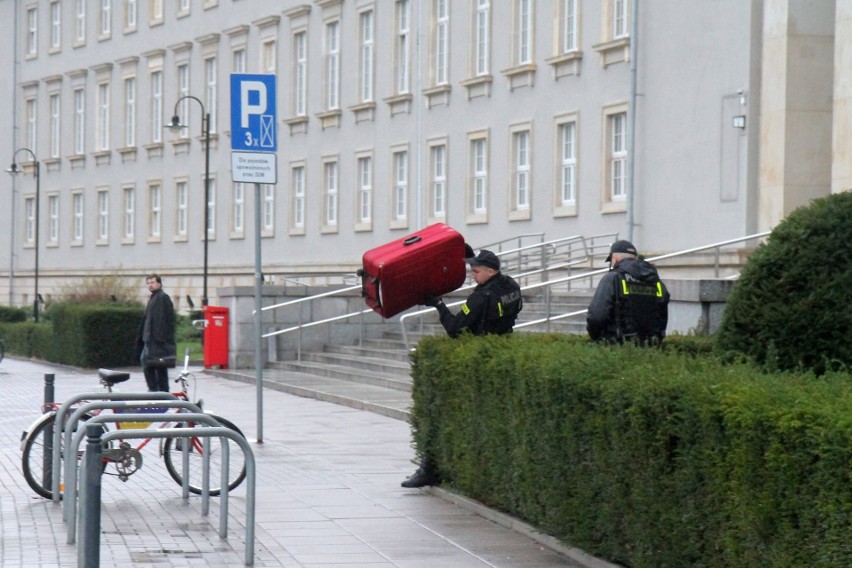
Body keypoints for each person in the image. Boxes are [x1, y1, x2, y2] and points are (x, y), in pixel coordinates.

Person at [401, 249, 522, 488]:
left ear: (490, 271)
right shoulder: (511, 287)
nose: (472, 276)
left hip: (475, 362)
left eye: (476, 272)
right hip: (501, 351)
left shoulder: (481, 297)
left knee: (438, 411)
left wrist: (439, 305)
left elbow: (456, 328)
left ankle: (430, 468)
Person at [586, 240, 670, 345]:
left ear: (615, 258)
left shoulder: (613, 278)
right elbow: (662, 316)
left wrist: (597, 337)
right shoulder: (656, 281)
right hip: (650, 349)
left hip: (618, 347)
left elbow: (596, 316)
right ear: (636, 258)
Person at [135, 274, 176, 392]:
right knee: (151, 364)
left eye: (152, 282)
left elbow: (166, 320)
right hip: (149, 339)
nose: (150, 285)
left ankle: (156, 390)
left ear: (159, 283)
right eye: (148, 283)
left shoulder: (163, 297)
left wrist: (160, 339)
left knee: (156, 365)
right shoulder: (154, 298)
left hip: (156, 340)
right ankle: (156, 389)